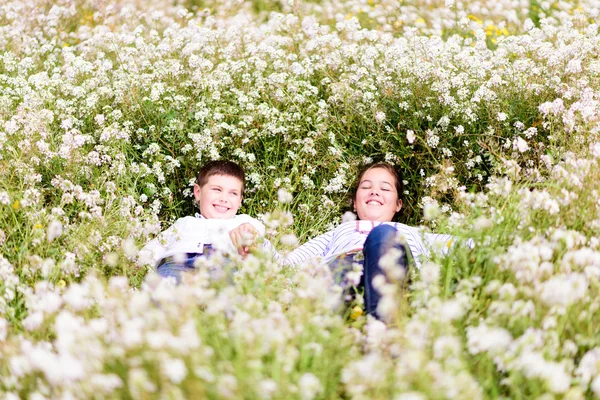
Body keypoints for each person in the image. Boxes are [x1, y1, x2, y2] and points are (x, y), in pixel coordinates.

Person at [230, 162, 457, 319]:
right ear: (355, 203)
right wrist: (257, 244)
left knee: (383, 234)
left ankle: (384, 333)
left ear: (398, 205)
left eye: (385, 188)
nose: (375, 192)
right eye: (366, 187)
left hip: (392, 275)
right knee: (333, 270)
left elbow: (461, 244)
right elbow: (289, 265)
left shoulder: (413, 233)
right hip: (343, 270)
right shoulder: (340, 232)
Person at [139, 160, 265, 283]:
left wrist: (248, 230)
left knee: (228, 288)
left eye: (233, 193)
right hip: (177, 263)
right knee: (162, 288)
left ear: (239, 201)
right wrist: (138, 263)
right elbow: (157, 246)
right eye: (217, 190)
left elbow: (256, 232)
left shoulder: (241, 221)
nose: (224, 199)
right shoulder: (184, 223)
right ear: (198, 192)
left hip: (221, 263)